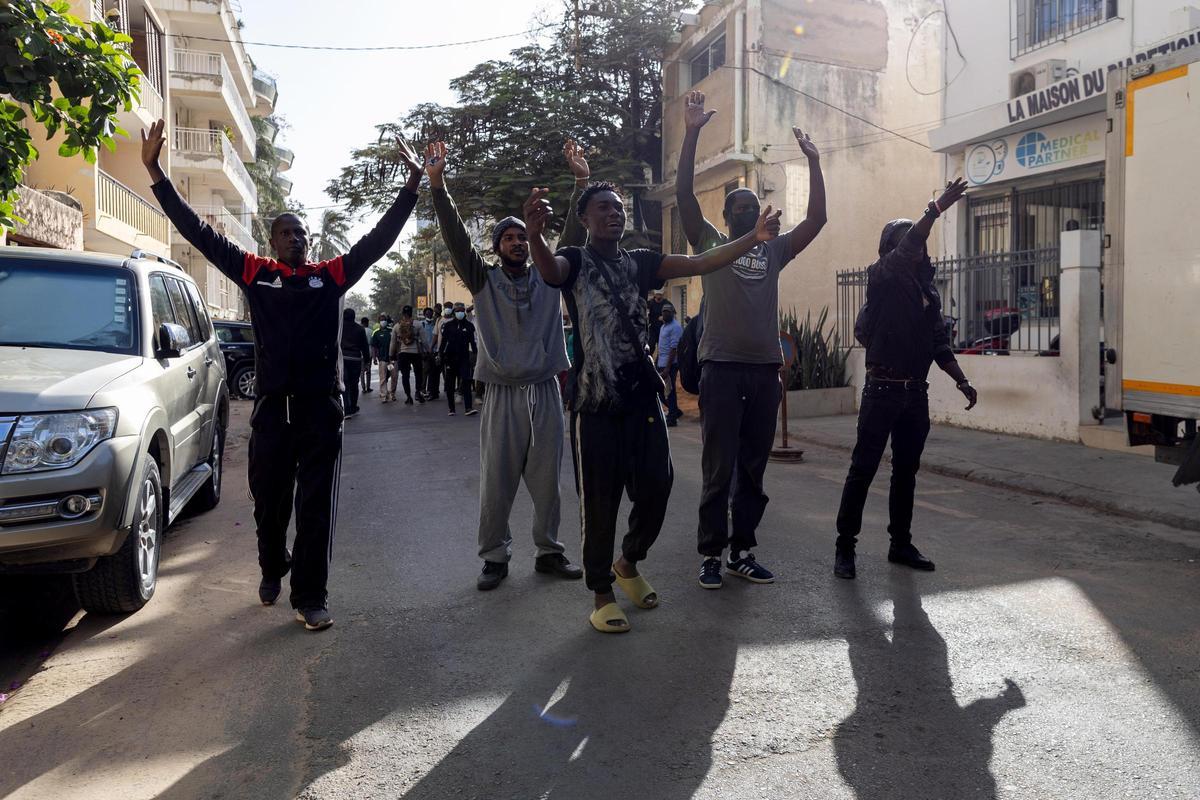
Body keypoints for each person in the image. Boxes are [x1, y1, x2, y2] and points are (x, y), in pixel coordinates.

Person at [140, 118, 424, 631]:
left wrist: (411, 187)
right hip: (272, 414)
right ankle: (273, 565)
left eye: (301, 232)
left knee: (315, 509)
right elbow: (200, 235)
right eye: (286, 232)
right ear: (271, 242)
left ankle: (309, 596)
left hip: (320, 412)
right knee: (270, 506)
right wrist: (156, 174)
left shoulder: (329, 277)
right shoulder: (255, 273)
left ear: (310, 241)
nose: (295, 238)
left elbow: (377, 241)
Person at [524, 180, 781, 634]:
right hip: (596, 402)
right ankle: (602, 592)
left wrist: (753, 238)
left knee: (658, 488)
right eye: (603, 208)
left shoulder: (641, 263)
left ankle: (629, 561)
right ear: (585, 219)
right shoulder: (577, 260)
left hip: (642, 401)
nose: (613, 214)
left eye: (618, 208)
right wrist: (534, 234)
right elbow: (549, 270)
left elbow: (702, 261)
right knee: (599, 504)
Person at [676, 90, 828, 590]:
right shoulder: (711, 245)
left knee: (754, 470)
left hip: (764, 371)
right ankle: (710, 556)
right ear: (727, 219)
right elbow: (682, 200)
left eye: (751, 205)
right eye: (738, 208)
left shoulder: (776, 250)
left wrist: (815, 163)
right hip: (720, 368)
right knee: (718, 469)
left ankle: (743, 550)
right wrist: (693, 132)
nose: (747, 210)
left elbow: (817, 222)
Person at [426, 140, 585, 591]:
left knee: (549, 484)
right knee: (496, 484)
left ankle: (549, 552)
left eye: (522, 236)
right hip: (500, 395)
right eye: (509, 238)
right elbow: (457, 238)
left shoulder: (551, 273)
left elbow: (572, 238)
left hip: (545, 393)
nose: (517, 242)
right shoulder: (483, 279)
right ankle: (494, 557)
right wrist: (438, 187)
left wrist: (580, 183)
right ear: (497, 248)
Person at [833, 178, 978, 580]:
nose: (916, 248)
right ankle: (845, 547)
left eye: (916, 243)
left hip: (916, 394)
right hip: (881, 391)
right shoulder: (881, 277)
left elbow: (938, 343)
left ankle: (900, 543)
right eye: (905, 243)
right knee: (863, 470)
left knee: (906, 472)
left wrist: (961, 380)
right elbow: (905, 250)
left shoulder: (927, 291)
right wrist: (933, 211)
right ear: (891, 249)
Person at [439, 302, 477, 416]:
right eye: (457, 311)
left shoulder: (469, 326)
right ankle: (451, 408)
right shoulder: (449, 325)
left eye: (461, 310)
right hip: (450, 358)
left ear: (464, 312)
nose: (459, 312)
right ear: (454, 312)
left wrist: (476, 354)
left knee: (466, 381)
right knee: (450, 385)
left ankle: (468, 408)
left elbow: (473, 342)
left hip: (464, 358)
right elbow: (444, 341)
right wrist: (440, 354)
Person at [389, 305, 425, 405]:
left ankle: (409, 396)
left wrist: (391, 355)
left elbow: (393, 343)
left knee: (405, 376)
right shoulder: (418, 324)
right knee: (418, 374)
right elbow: (424, 340)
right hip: (415, 353)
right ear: (411, 313)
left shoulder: (397, 326)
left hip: (402, 353)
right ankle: (418, 392)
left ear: (402, 314)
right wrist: (429, 350)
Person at [341, 307, 371, 418]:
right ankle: (353, 406)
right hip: (355, 359)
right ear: (354, 317)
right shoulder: (359, 329)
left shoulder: (340, 328)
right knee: (354, 384)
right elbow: (364, 347)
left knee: (345, 383)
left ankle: (346, 409)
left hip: (343, 358)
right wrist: (367, 361)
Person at [656, 304, 683, 426]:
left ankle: (672, 418)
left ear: (673, 313)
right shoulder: (663, 327)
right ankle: (675, 411)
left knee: (669, 391)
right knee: (660, 390)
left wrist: (667, 368)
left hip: (670, 364)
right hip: (661, 362)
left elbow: (674, 348)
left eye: (668, 311)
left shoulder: (675, 327)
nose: (665, 313)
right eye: (663, 311)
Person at [372, 316, 396, 403]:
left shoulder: (391, 331)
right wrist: (374, 358)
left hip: (392, 360)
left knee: (393, 377)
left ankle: (392, 393)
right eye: (381, 320)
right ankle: (384, 395)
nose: (383, 321)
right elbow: (374, 347)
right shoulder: (376, 333)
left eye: (384, 320)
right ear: (379, 321)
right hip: (382, 359)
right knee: (383, 377)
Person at [417, 306, 437, 400]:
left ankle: (430, 390)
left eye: (430, 313)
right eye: (427, 313)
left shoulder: (434, 324)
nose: (429, 314)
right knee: (424, 371)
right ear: (424, 314)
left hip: (433, 352)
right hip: (425, 352)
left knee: (433, 372)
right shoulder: (422, 324)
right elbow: (419, 340)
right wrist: (421, 352)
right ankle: (422, 390)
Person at [359, 316, 374, 394]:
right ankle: (368, 387)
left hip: (361, 353)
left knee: (361, 371)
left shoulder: (359, 330)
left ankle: (363, 388)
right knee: (368, 371)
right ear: (367, 323)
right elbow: (372, 343)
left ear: (362, 323)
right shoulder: (371, 331)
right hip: (369, 352)